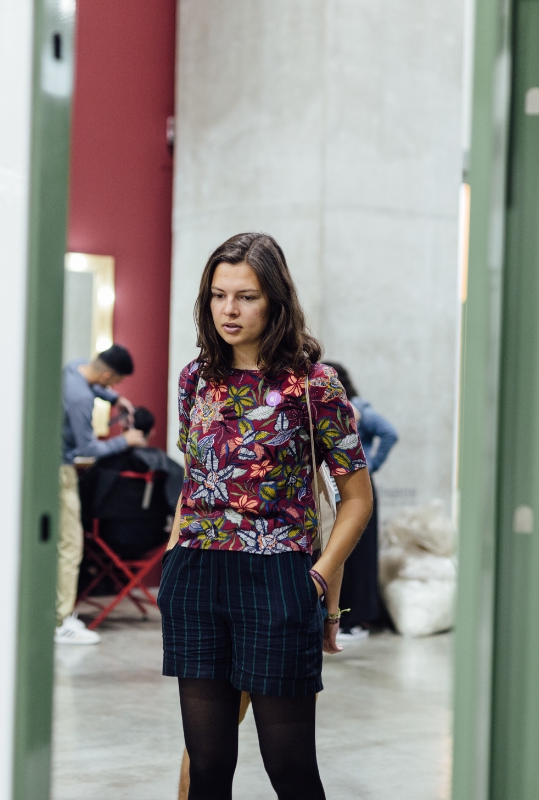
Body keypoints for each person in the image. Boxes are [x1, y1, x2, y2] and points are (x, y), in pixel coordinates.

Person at [158, 232, 373, 800]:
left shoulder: (313, 386)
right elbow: (194, 479)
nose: (229, 310)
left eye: (246, 296)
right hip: (196, 577)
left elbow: (356, 498)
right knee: (207, 769)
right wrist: (173, 555)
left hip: (278, 579)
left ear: (275, 301)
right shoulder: (195, 379)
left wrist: (321, 577)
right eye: (218, 295)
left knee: (292, 773)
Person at [57, 344, 146, 645]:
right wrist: (126, 440)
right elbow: (88, 450)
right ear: (107, 373)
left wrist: (114, 397)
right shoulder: (81, 398)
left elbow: (95, 386)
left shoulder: (75, 367)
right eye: (115, 382)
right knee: (70, 545)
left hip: (46, 466)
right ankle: (61, 621)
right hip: (61, 472)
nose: (113, 387)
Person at [322, 362, 398, 642]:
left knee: (360, 557)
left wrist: (371, 464)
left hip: (358, 488)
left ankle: (357, 621)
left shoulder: (357, 409)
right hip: (338, 487)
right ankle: (344, 619)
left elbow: (390, 433)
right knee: (345, 557)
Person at [78, 408, 185, 560]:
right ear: (152, 432)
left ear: (124, 429)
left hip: (107, 535)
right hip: (154, 534)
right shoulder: (168, 466)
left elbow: (85, 499)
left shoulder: (109, 463)